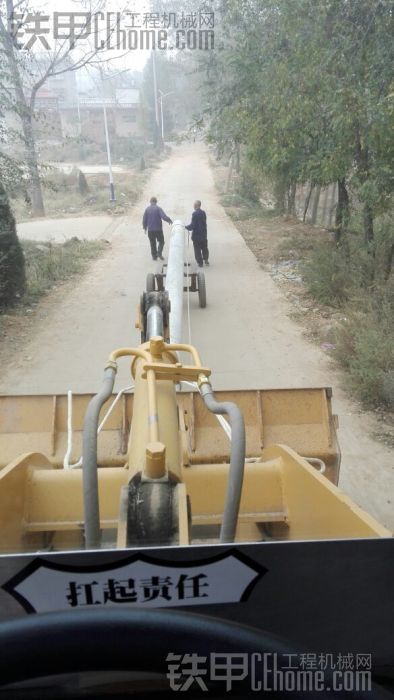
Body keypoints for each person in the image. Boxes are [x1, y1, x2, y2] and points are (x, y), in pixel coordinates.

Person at [185, 200, 209, 267]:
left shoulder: (194, 214)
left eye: (194, 205)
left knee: (197, 249)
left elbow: (192, 225)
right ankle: (206, 259)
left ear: (196, 205)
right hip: (204, 234)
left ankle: (200, 263)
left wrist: (185, 227)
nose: (193, 206)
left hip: (196, 236)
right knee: (204, 248)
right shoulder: (203, 213)